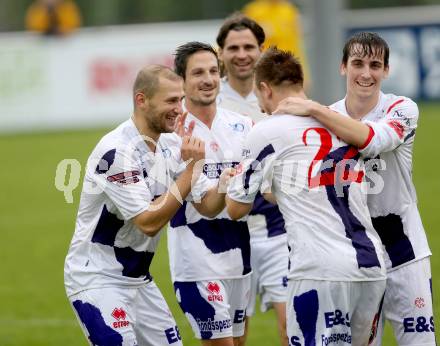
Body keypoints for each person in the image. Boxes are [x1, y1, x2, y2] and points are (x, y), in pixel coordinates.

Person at [275, 32, 435, 346]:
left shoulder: (402, 109)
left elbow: (374, 141)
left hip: (405, 249)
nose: (366, 73)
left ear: (386, 71)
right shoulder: (320, 119)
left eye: (375, 65)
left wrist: (316, 110)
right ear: (343, 67)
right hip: (355, 254)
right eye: (358, 63)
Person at [226, 47, 387, 346]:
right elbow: (320, 187)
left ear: (264, 88)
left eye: (259, 96)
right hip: (371, 268)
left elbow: (236, 209)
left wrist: (231, 180)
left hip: (319, 271)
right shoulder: (341, 122)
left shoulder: (266, 130)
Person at [64, 64, 231, 345]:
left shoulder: (170, 145)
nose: (179, 108)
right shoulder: (117, 151)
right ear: (142, 100)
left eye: (179, 99)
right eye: (170, 100)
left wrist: (229, 182)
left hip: (138, 279)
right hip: (97, 279)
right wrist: (192, 170)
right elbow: (148, 222)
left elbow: (208, 206)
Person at [169, 41, 253, 346]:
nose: (207, 79)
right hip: (198, 260)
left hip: (240, 255)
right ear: (181, 81)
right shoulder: (172, 135)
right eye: (198, 73)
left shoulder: (243, 126)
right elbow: (205, 206)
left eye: (213, 71)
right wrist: (225, 183)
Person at [216, 14, 288, 346]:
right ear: (220, 53)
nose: (242, 54)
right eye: (233, 47)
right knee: (234, 337)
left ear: (261, 50)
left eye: (249, 47)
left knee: (295, 328)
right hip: (227, 232)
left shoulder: (282, 100)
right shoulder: (207, 99)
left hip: (277, 231)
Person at [242, 0, 310, 89]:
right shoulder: (253, 11)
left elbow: (296, 43)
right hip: (265, 70)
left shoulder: (289, 11)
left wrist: (303, 72)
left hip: (289, 70)